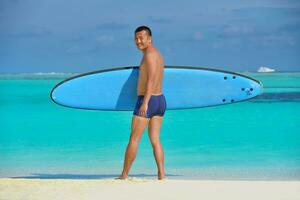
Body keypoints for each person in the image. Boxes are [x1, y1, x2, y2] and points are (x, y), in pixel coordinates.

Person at [118, 26, 167, 180]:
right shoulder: (157, 54)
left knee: (134, 138)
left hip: (148, 100)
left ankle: (124, 175)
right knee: (155, 140)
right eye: (136, 38)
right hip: (160, 100)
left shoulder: (150, 55)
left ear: (150, 39)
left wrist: (145, 102)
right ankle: (161, 174)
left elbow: (151, 79)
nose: (138, 41)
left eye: (141, 38)